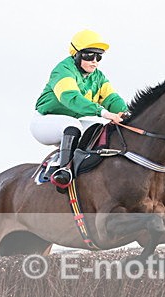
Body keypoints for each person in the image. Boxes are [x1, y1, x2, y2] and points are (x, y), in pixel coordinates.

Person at [30, 29, 128, 189]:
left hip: (71, 121)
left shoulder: (98, 76)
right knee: (73, 126)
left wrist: (126, 113)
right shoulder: (63, 70)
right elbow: (71, 99)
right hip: (44, 122)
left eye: (99, 56)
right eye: (89, 55)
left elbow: (112, 99)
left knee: (101, 129)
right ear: (75, 54)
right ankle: (62, 171)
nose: (94, 61)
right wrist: (103, 112)